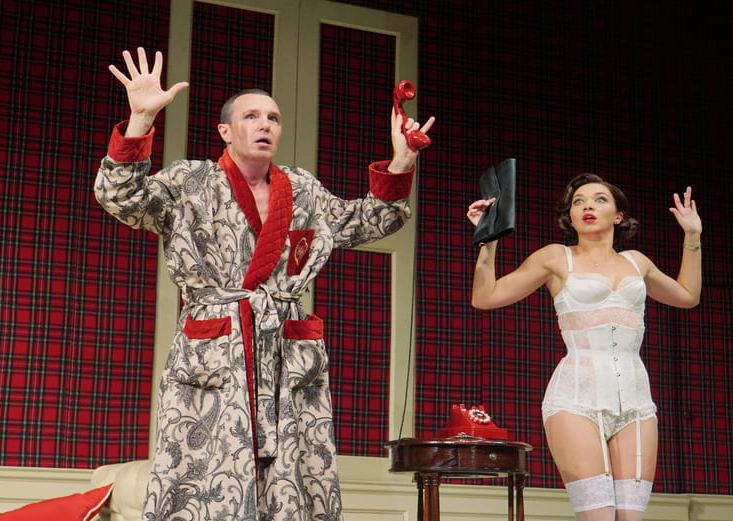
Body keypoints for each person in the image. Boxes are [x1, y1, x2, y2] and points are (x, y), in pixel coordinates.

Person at [95, 47, 434, 521]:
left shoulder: (303, 189)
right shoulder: (191, 181)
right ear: (225, 131)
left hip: (286, 354)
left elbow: (369, 220)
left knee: (294, 475)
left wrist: (400, 161)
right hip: (216, 348)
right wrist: (140, 119)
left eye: (273, 118)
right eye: (251, 116)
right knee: (203, 475)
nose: (265, 125)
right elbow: (120, 196)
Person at [466, 173, 701, 521]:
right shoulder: (555, 258)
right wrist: (488, 239)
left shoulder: (637, 262)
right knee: (599, 516)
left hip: (636, 403)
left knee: (629, 518)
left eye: (599, 199)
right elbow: (485, 297)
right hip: (575, 399)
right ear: (571, 216)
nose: (587, 205)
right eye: (579, 201)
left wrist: (692, 236)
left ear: (618, 216)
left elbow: (688, 296)